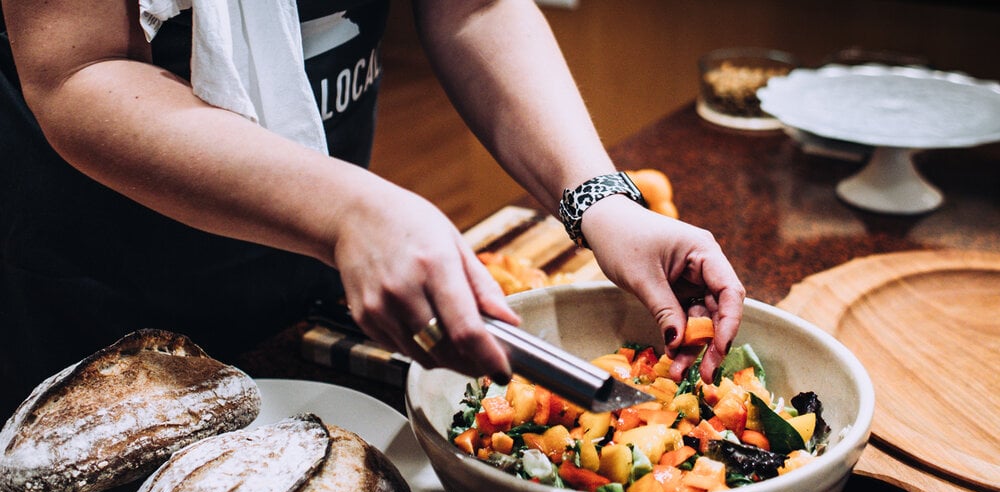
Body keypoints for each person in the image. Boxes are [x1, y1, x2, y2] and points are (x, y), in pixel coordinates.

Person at [0, 0, 744, 420]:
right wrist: (347, 210)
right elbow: (76, 70)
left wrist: (602, 203)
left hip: (311, 267)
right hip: (95, 279)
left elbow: (471, 9)